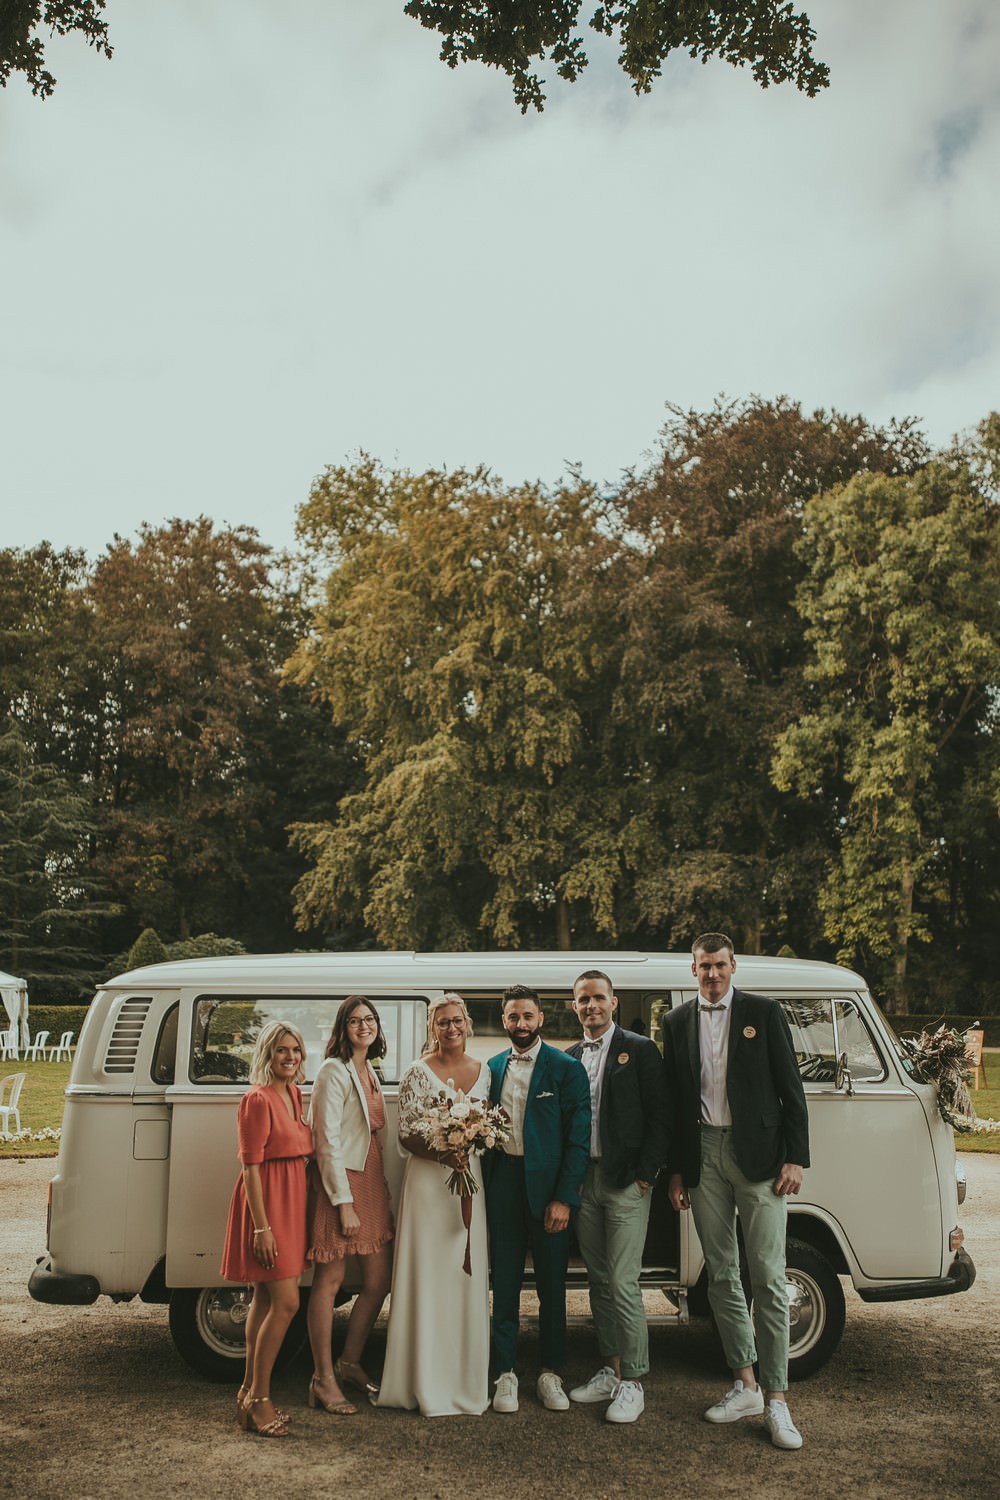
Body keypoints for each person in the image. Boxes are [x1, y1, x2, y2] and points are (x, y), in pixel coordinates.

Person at [662, 933, 810, 1451]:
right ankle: (745, 1385)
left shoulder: (763, 1013)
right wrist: (677, 1170)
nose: (712, 974)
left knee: (767, 1274)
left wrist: (795, 1157)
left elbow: (791, 1089)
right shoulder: (676, 1021)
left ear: (733, 966)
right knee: (721, 1274)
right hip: (702, 1153)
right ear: (693, 970)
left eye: (719, 965)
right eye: (704, 966)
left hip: (761, 1156)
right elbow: (676, 1102)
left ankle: (777, 1399)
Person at [378, 993, 491, 1416]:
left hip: (468, 1181)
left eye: (457, 1020)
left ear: (467, 1023)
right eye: (443, 1022)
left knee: (463, 1274)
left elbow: (488, 1126)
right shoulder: (417, 1072)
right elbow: (406, 1134)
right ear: (433, 1028)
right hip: (429, 1185)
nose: (451, 1027)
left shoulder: (484, 1071)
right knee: (428, 1275)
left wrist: (472, 1141)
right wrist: (445, 1153)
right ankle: (422, 1380)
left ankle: (463, 1381)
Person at [566, 969, 668, 1424]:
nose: (591, 1005)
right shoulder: (570, 1057)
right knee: (598, 1279)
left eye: (598, 998)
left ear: (613, 1002)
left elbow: (661, 1115)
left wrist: (646, 1175)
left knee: (624, 1281)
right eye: (583, 999)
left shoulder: (640, 1049)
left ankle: (635, 1380)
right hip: (585, 1181)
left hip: (626, 1181)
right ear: (575, 1006)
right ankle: (610, 1369)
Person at [485, 983, 590, 1415]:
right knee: (504, 1282)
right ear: (504, 1020)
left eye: (528, 1015)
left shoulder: (566, 1068)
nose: (521, 1023)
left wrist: (564, 1198)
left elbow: (578, 1139)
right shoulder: (492, 1067)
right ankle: (505, 1372)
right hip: (503, 1184)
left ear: (540, 1018)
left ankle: (551, 1371)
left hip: (549, 1190)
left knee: (552, 1284)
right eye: (513, 1016)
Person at [220, 1020, 312, 1437]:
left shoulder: (294, 1093)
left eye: (295, 1049)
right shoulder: (256, 1099)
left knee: (263, 1297)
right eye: (281, 1050)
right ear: (267, 1054)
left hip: (291, 1202)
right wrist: (262, 1228)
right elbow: (250, 1168)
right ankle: (260, 1399)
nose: (289, 1057)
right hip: (267, 1206)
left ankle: (246, 1393)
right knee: (287, 1303)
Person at [306, 995, 394, 1415]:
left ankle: (350, 1362)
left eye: (370, 1019)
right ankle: (322, 1378)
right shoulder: (333, 1070)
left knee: (379, 1280)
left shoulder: (368, 1068)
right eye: (355, 1020)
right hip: (341, 1183)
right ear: (343, 1028)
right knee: (331, 1279)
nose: (364, 1026)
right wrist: (343, 1203)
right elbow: (326, 1140)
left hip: (370, 1178)